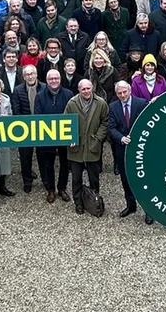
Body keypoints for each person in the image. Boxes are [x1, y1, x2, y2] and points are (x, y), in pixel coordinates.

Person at [108, 82, 153, 225]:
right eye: (119, 93)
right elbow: (111, 127)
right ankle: (131, 205)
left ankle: (148, 210)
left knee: (144, 179)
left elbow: (149, 122)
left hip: (141, 148)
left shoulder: (141, 103)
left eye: (124, 92)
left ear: (129, 90)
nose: (122, 95)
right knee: (126, 179)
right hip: (122, 149)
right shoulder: (113, 107)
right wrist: (121, 138)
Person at [65, 79, 110, 215]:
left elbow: (105, 121)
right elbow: (65, 121)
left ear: (92, 89)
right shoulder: (72, 103)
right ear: (79, 90)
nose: (86, 91)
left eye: (88, 88)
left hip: (92, 144)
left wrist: (98, 138)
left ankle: (94, 200)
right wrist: (69, 138)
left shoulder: (101, 103)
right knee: (76, 178)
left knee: (94, 177)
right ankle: (78, 202)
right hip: (76, 145)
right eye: (83, 89)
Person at [35, 70, 73, 204]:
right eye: (51, 79)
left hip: (65, 135)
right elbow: (37, 116)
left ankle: (62, 188)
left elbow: (72, 114)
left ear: (60, 79)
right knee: (48, 164)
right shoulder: (39, 96)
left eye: (56, 78)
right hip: (48, 136)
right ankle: (50, 189)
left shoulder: (68, 94)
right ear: (46, 80)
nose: (54, 81)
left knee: (64, 163)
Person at [11, 64, 40, 192]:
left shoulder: (44, 87)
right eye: (27, 74)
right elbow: (16, 109)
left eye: (32, 73)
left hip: (42, 127)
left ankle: (45, 180)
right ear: (23, 77)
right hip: (25, 128)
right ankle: (27, 181)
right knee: (25, 157)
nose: (30, 76)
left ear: (36, 74)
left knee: (43, 156)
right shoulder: (17, 90)